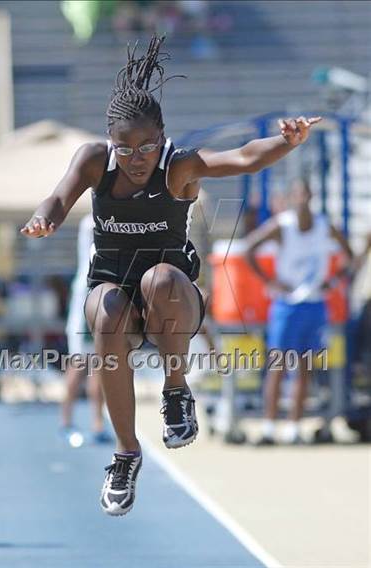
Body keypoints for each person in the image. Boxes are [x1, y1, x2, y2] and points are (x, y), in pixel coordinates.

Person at [21, 34, 322, 515]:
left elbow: (243, 157)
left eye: (146, 147)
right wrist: (45, 219)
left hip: (172, 297)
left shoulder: (180, 166)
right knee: (103, 309)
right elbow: (58, 197)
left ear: (163, 138)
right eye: (125, 149)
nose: (136, 158)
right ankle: (126, 454)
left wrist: (285, 142)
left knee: (157, 278)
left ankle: (175, 388)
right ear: (109, 141)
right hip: (116, 289)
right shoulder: (93, 161)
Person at [245, 179, 353, 445]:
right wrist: (269, 281)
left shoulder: (323, 225)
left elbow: (349, 255)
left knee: (305, 368)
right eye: (297, 194)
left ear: (311, 196)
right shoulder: (283, 225)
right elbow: (249, 249)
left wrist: (334, 280)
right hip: (287, 304)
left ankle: (294, 427)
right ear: (293, 197)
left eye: (305, 194)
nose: (302, 198)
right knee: (278, 365)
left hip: (315, 303)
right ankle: (269, 428)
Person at [60, 213, 113, 447]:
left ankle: (97, 423)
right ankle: (66, 421)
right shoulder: (92, 221)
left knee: (99, 365)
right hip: (86, 298)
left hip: (99, 296)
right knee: (79, 363)